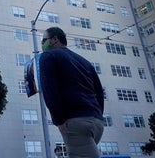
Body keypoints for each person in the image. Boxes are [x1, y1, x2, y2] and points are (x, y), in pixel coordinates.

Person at [39, 27, 105, 158]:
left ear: (54, 39)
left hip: (75, 123)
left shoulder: (48, 56)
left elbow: (50, 90)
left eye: (44, 40)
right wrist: (97, 115)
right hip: (96, 122)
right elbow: (99, 91)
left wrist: (59, 120)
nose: (42, 44)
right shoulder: (85, 62)